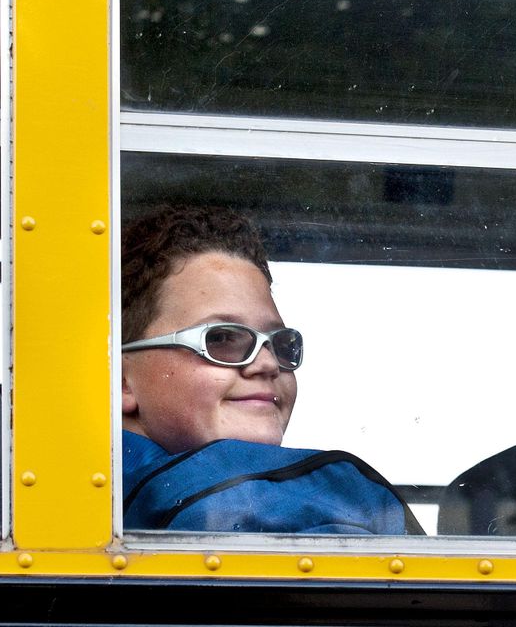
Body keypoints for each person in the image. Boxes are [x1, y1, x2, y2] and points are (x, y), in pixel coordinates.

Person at [120, 206, 422, 535]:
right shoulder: (287, 512)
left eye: (280, 344)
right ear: (122, 381)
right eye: (220, 338)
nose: (267, 363)